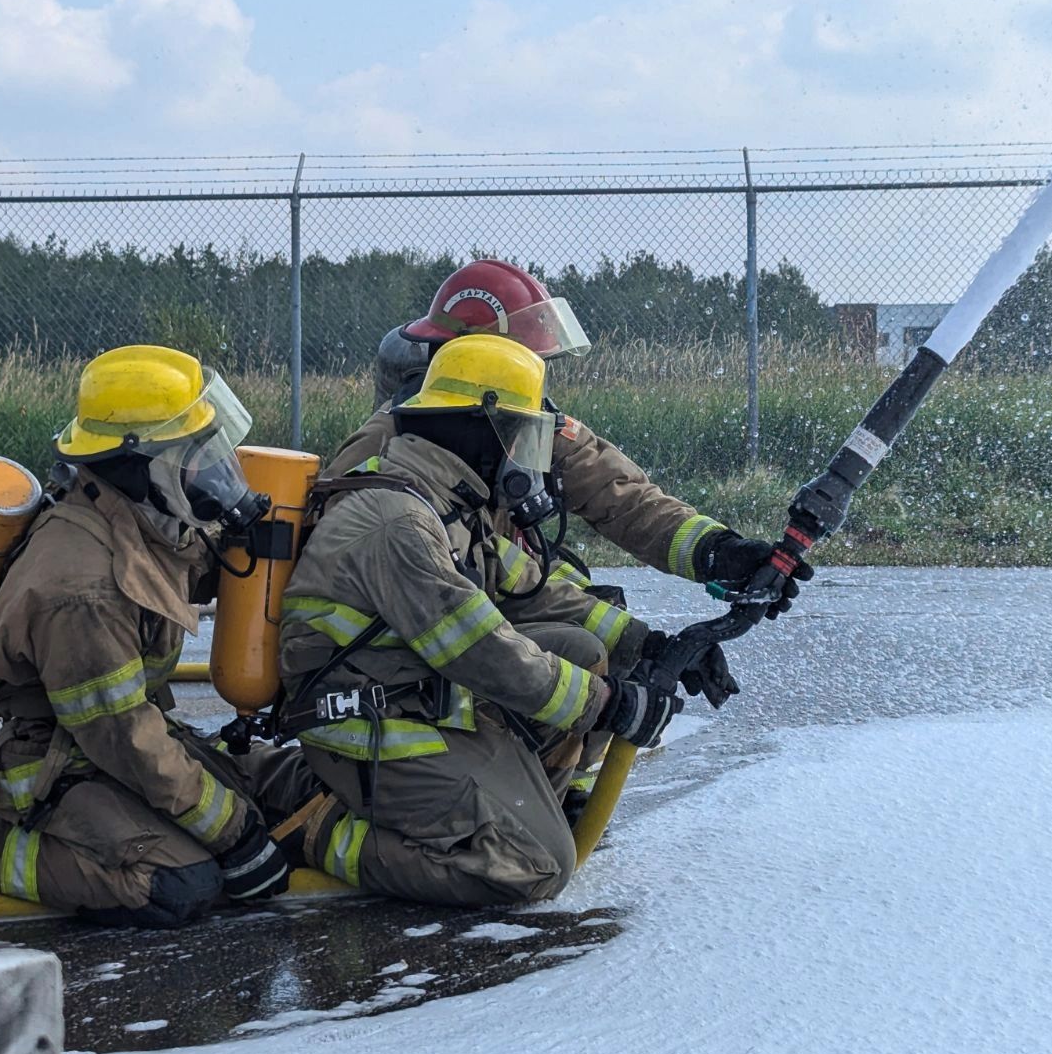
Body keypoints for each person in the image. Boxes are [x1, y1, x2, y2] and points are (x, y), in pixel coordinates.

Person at [337, 259, 809, 816]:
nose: (541, 380)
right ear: (480, 358)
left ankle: (554, 783)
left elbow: (621, 495)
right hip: (418, 629)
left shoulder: (519, 416)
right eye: (529, 362)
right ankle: (506, 791)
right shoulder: (392, 442)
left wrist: (719, 553)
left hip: (489, 595)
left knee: (592, 609)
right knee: (583, 648)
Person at [276, 333, 720, 907]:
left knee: (579, 650)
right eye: (522, 435)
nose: (528, 456)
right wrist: (609, 705)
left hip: (414, 694)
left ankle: (510, 813)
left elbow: (535, 594)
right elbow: (478, 648)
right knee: (536, 867)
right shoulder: (399, 520)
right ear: (480, 426)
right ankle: (313, 825)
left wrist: (652, 645)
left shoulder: (449, 501)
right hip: (368, 727)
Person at [0, 345, 292, 926]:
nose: (207, 471)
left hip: (86, 735)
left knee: (249, 810)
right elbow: (123, 737)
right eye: (190, 455)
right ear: (138, 464)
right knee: (177, 882)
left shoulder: (133, 512)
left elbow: (190, 566)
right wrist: (236, 837)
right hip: (33, 753)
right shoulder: (82, 591)